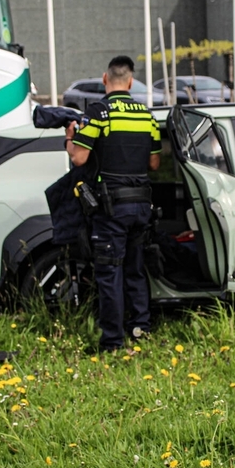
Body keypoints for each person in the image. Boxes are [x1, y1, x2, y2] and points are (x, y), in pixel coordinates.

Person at [65, 56, 161, 352]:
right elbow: (154, 163)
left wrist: (71, 138)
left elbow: (78, 158)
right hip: (141, 208)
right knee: (134, 268)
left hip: (111, 209)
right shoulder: (147, 115)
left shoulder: (99, 113)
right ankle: (140, 329)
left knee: (109, 273)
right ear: (130, 82)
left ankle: (112, 341)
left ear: (105, 79)